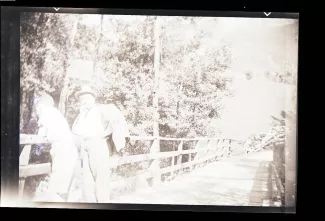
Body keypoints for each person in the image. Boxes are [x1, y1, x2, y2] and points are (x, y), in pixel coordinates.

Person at [72, 85, 129, 203]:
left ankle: (103, 204)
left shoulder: (102, 109)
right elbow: (75, 131)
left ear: (92, 98)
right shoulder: (81, 115)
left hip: (98, 145)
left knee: (101, 179)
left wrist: (106, 134)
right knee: (87, 180)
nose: (84, 101)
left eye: (86, 98)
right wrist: (81, 114)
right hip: (85, 146)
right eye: (82, 99)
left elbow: (117, 120)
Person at [34, 92, 78, 202]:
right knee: (66, 184)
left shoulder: (47, 112)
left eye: (37, 107)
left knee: (57, 184)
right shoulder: (56, 113)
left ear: (41, 105)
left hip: (62, 149)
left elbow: (41, 134)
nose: (37, 110)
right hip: (69, 148)